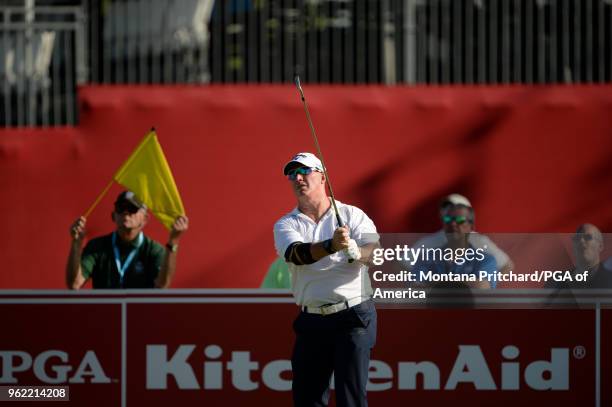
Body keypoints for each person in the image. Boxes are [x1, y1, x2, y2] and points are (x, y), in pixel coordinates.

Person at [273, 152, 379, 407]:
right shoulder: (286, 224)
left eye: (304, 172)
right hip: (312, 319)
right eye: (292, 174)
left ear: (323, 177)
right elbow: (297, 254)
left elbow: (374, 252)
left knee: (350, 398)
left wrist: (357, 252)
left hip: (353, 315)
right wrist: (332, 245)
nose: (297, 178)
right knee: (307, 399)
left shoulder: (352, 215)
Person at [66, 190, 189, 289]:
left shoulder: (154, 250)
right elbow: (74, 284)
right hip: (103, 316)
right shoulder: (97, 246)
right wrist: (76, 243)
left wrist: (173, 241)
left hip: (141, 317)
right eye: (121, 208)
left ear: (145, 219)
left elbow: (162, 286)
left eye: (132, 208)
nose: (126, 212)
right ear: (113, 216)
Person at [412, 193, 514, 275]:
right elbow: (401, 266)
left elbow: (507, 265)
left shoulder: (479, 241)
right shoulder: (431, 242)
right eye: (447, 210)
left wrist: (487, 281)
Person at [412, 201, 497, 289]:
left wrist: (433, 282)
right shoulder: (425, 257)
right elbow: (415, 289)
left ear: (471, 226)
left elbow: (481, 287)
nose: (453, 224)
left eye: (459, 220)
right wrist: (465, 282)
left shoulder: (486, 260)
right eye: (448, 219)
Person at [547, 223, 611, 289]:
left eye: (588, 237)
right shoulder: (556, 282)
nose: (581, 241)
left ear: (600, 246)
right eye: (577, 238)